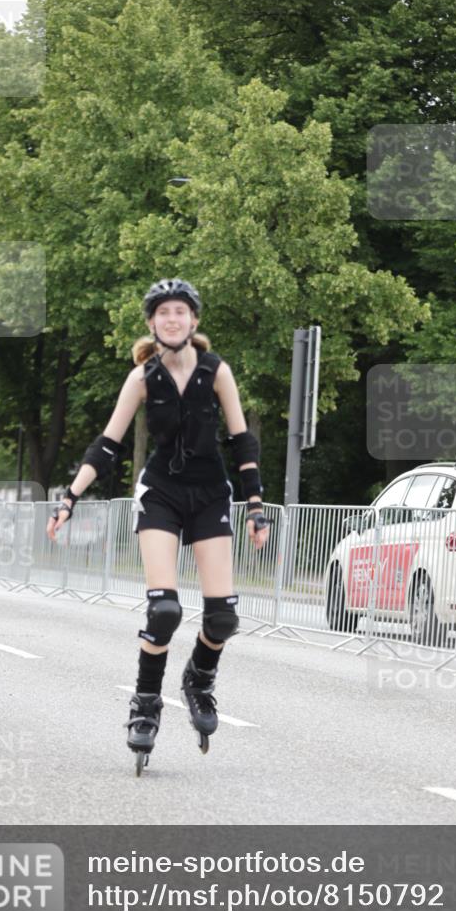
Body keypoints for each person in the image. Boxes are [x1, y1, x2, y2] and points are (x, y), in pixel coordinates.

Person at [46, 278, 269, 772]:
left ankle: (199, 679)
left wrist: (255, 505)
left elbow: (242, 443)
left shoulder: (217, 372)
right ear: (152, 323)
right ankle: (146, 704)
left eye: (180, 311)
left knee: (222, 619)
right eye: (163, 312)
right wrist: (69, 498)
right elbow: (107, 445)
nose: (172, 319)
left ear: (194, 321)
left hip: (211, 493)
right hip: (161, 495)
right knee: (165, 610)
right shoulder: (142, 378)